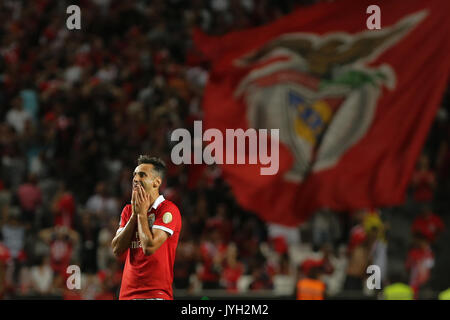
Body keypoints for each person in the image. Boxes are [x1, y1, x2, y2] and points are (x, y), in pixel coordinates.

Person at [111, 155, 182, 300]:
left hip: (155, 294)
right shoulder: (128, 210)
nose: (136, 179)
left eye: (142, 175)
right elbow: (117, 249)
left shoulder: (168, 210)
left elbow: (149, 247)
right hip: (126, 295)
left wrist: (142, 215)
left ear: (156, 182)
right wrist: (134, 216)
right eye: (134, 175)